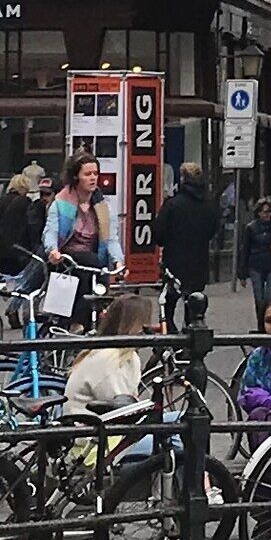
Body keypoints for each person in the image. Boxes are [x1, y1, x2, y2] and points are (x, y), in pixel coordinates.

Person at [62, 287, 157, 421]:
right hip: (92, 435)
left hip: (100, 426)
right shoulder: (110, 358)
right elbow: (120, 408)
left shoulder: (113, 352)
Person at [153, 164, 219, 327]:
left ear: (183, 179)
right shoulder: (209, 205)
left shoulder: (172, 204)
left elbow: (159, 235)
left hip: (175, 261)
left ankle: (170, 340)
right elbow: (212, 231)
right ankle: (192, 339)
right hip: (199, 261)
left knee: (168, 306)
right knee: (194, 305)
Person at [236, 192, 271, 325]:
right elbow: (244, 250)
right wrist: (242, 275)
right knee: (259, 298)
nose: (266, 215)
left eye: (268, 212)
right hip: (255, 265)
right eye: (263, 212)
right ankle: (261, 323)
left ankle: (269, 321)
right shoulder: (251, 228)